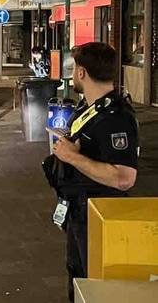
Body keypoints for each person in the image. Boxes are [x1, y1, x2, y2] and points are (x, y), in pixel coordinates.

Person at [48, 43, 139, 301]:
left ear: (82, 73)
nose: (73, 74)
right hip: (79, 210)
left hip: (98, 214)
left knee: (95, 285)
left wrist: (72, 157)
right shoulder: (90, 109)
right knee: (78, 277)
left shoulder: (116, 118)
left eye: (75, 69)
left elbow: (124, 178)